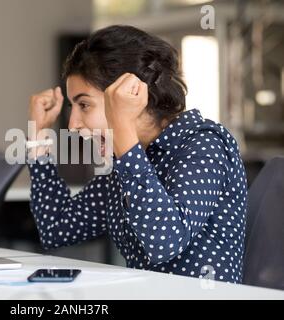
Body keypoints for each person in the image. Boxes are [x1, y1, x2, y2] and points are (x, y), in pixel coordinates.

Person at [27, 25, 247, 283]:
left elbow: (165, 242)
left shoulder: (204, 145)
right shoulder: (130, 161)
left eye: (84, 105)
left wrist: (122, 132)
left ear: (131, 96)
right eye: (72, 106)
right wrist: (38, 136)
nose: (72, 124)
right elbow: (56, 228)